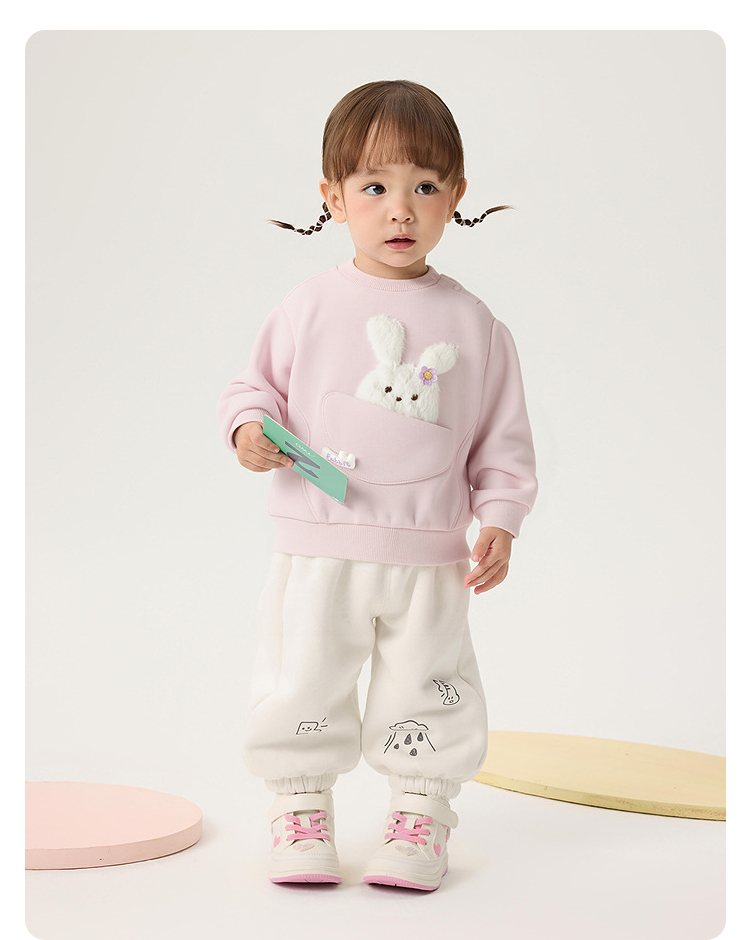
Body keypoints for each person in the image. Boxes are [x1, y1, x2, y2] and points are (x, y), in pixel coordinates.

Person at [217, 79, 538, 892]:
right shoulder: (309, 305)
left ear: (455, 197)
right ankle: (300, 807)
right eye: (374, 187)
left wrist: (501, 518)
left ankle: (420, 815)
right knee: (303, 681)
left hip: (430, 557)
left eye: (424, 186)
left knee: (428, 689)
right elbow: (253, 387)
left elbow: (502, 437)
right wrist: (249, 429)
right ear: (332, 197)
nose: (401, 209)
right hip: (318, 549)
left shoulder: (475, 325)